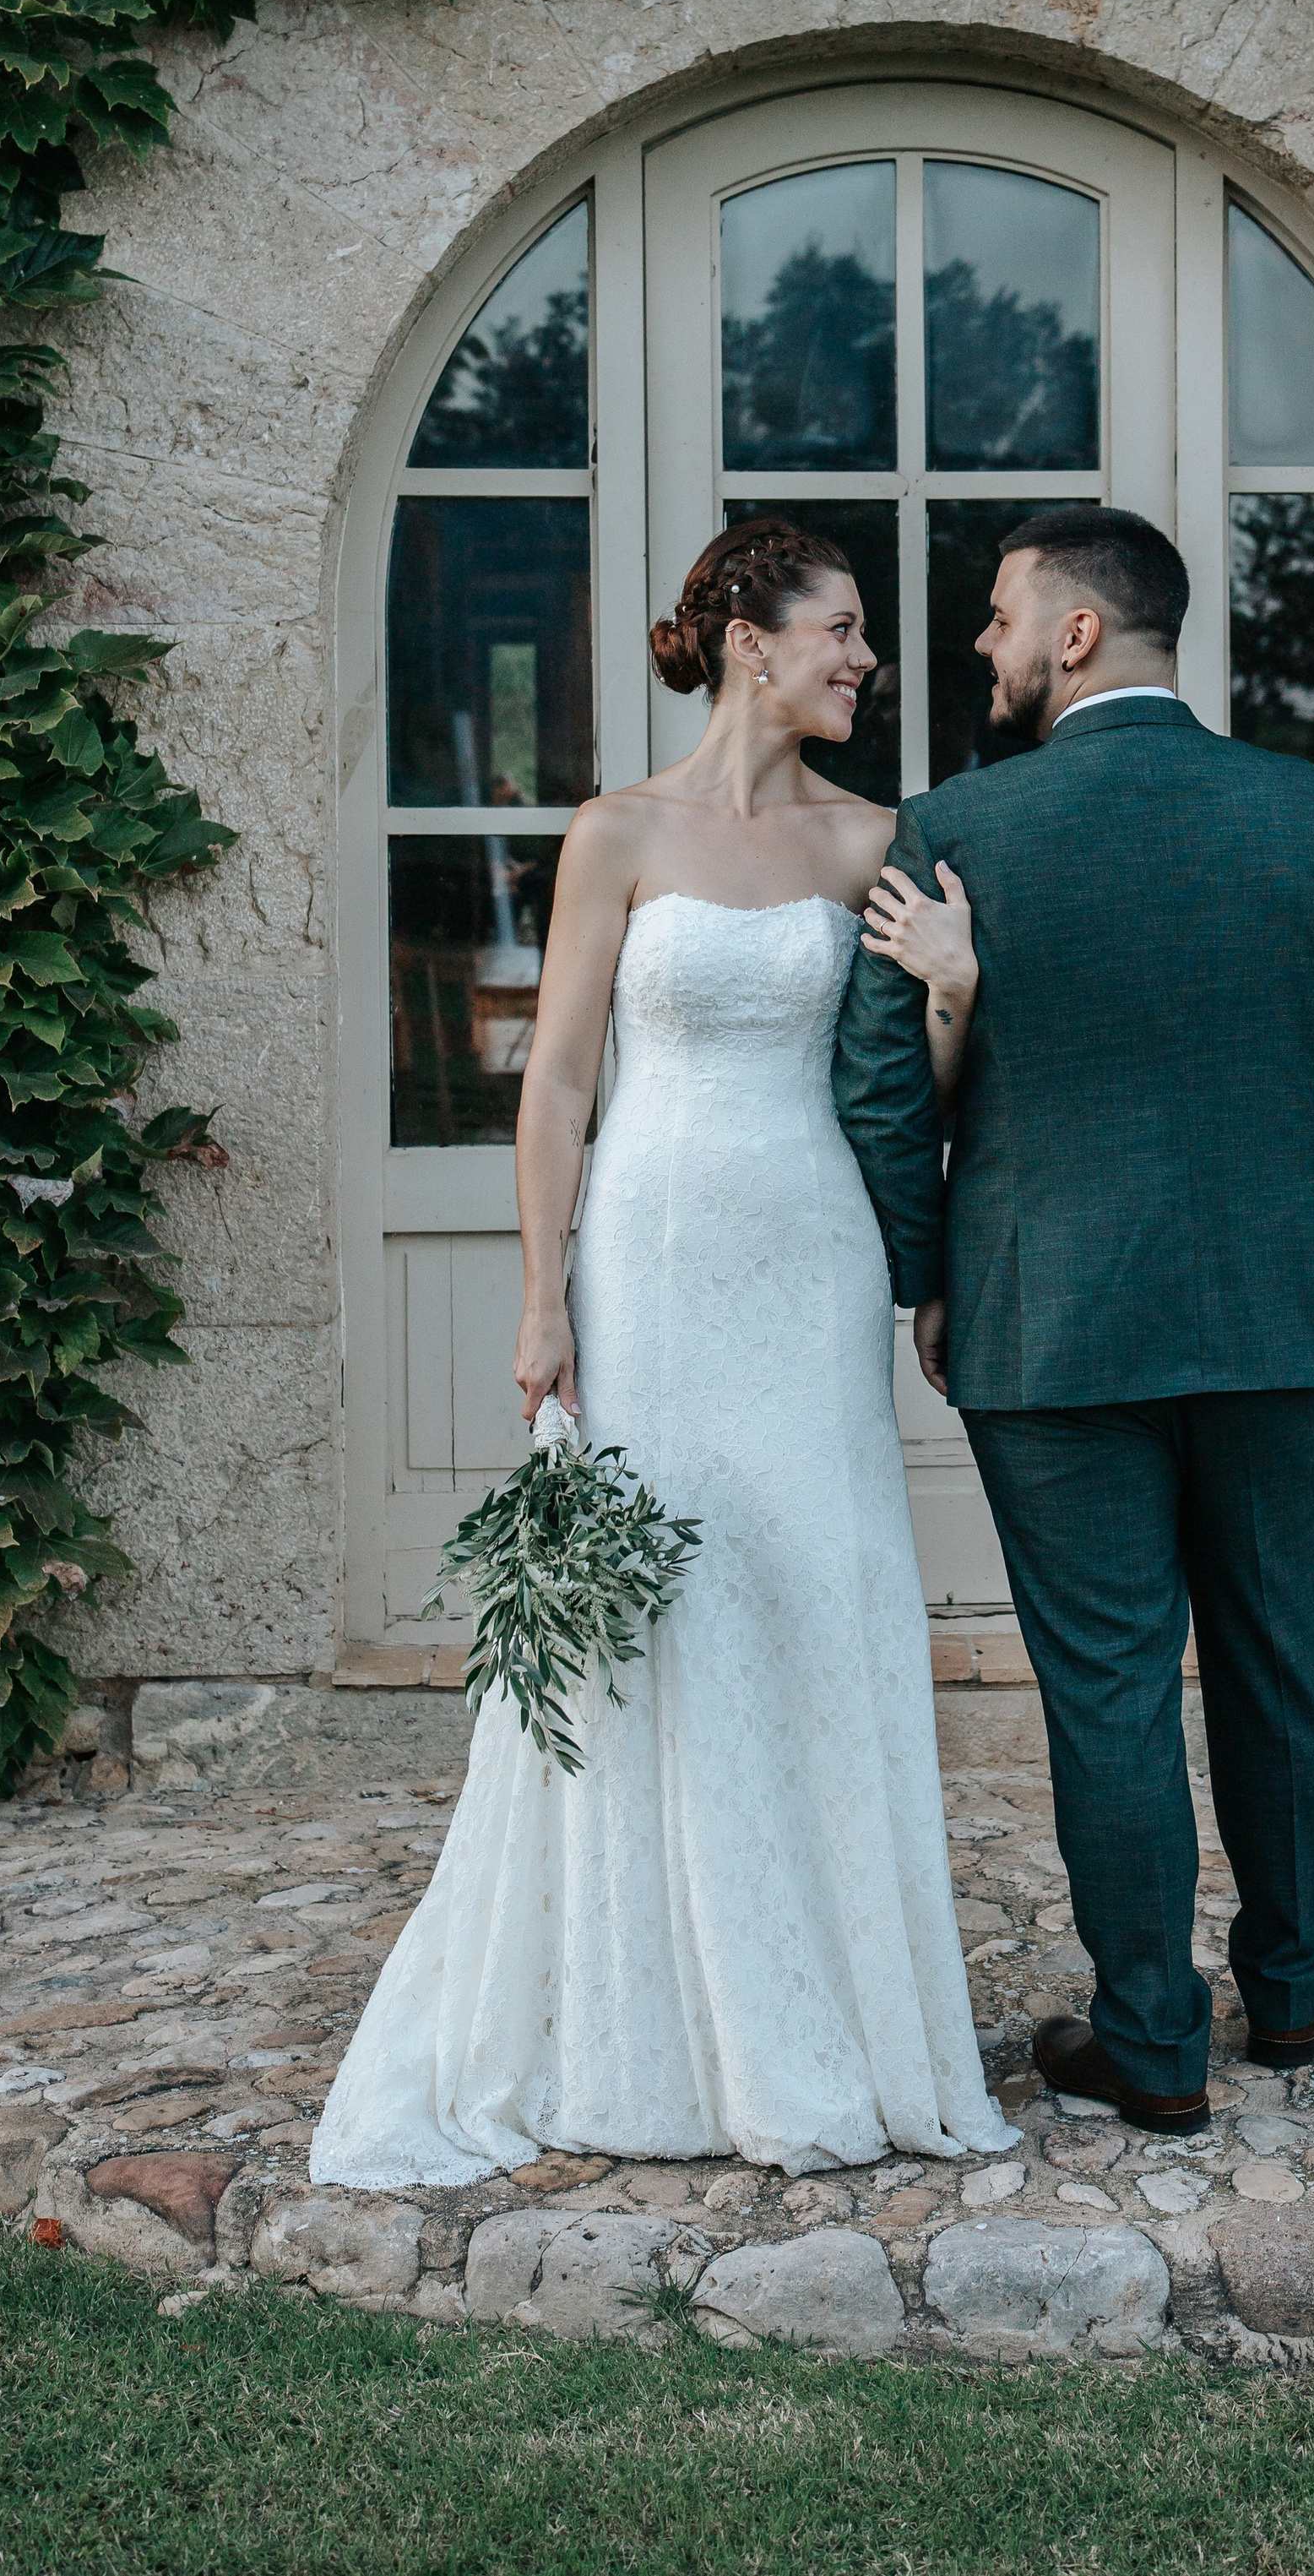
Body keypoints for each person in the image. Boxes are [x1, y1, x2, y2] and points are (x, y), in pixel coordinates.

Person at [312, 522, 1016, 2184]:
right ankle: (650, 2023)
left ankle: (821, 2019)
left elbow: (912, 1093)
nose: (865, 660)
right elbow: (556, 1080)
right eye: (839, 630)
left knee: (809, 1587)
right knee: (660, 1610)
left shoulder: (873, 842)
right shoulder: (613, 831)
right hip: (648, 1255)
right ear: (745, 640)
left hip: (813, 1254)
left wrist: (953, 991)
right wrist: (542, 1296)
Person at [834, 504, 1314, 2137]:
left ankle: (1153, 2037)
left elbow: (882, 1095)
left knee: (1108, 1684)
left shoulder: (957, 830)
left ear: (1077, 632)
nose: (983, 646)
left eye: (1002, 617)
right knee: (1283, 1652)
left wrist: (932, 1274)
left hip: (1052, 1316)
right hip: (1269, 1308)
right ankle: (1297, 1990)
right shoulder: (1311, 810)